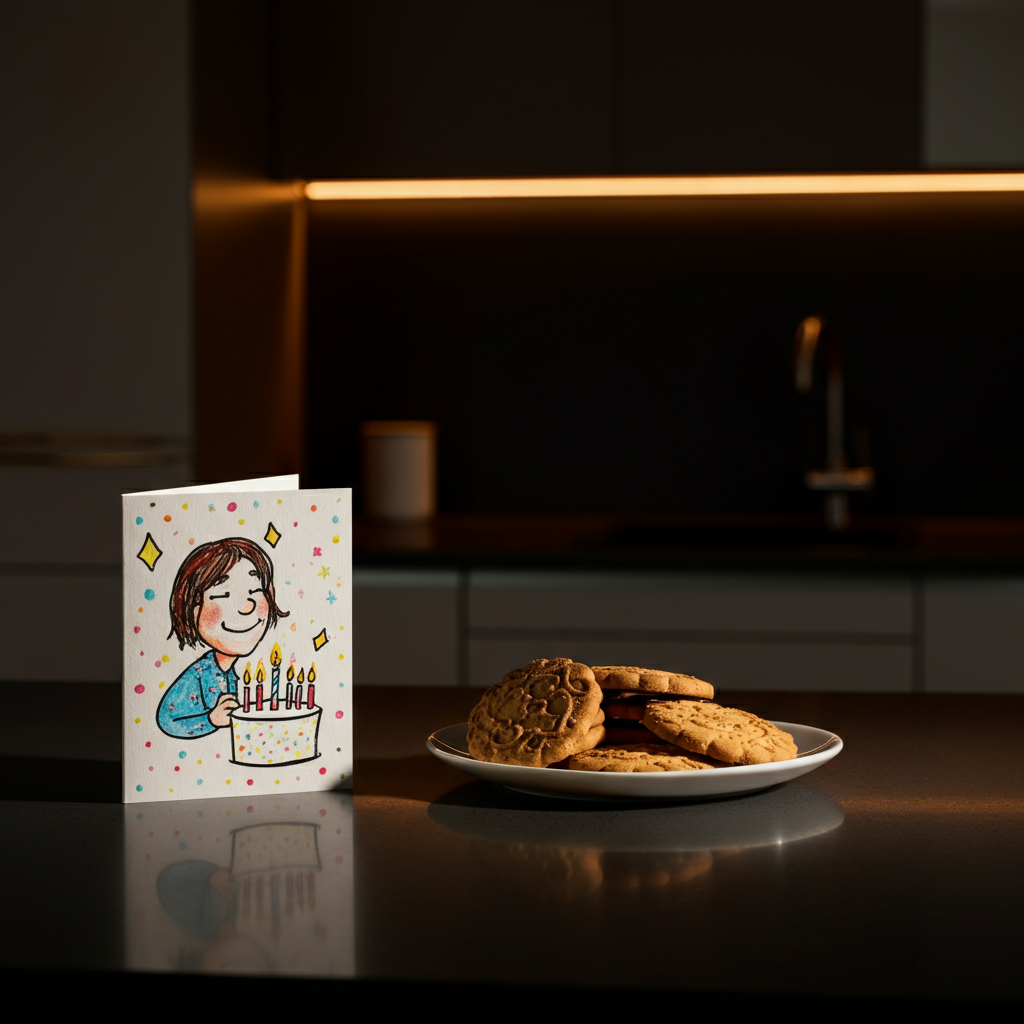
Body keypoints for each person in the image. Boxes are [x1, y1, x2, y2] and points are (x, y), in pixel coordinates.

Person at [156, 538, 289, 739]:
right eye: (224, 595)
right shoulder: (197, 675)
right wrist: (210, 720)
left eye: (254, 591)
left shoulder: (235, 672)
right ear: (193, 610)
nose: (247, 607)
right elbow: (167, 720)